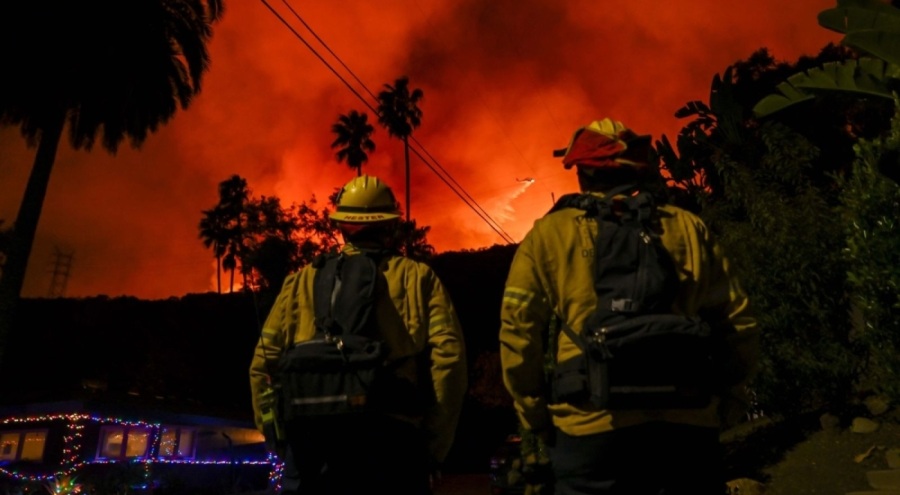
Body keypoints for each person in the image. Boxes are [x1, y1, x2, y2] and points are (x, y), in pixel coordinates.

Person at [499, 118, 759, 494]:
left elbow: (518, 335)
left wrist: (536, 416)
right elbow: (738, 322)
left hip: (590, 427)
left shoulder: (549, 235)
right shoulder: (687, 227)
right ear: (639, 169)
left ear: (582, 173)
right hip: (686, 424)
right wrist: (731, 398)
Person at [249, 174, 468, 495]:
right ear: (391, 225)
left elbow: (261, 366)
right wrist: (433, 446)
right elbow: (449, 362)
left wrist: (278, 437)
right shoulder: (418, 278)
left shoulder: (299, 283)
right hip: (393, 445)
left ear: (340, 225)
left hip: (311, 446)